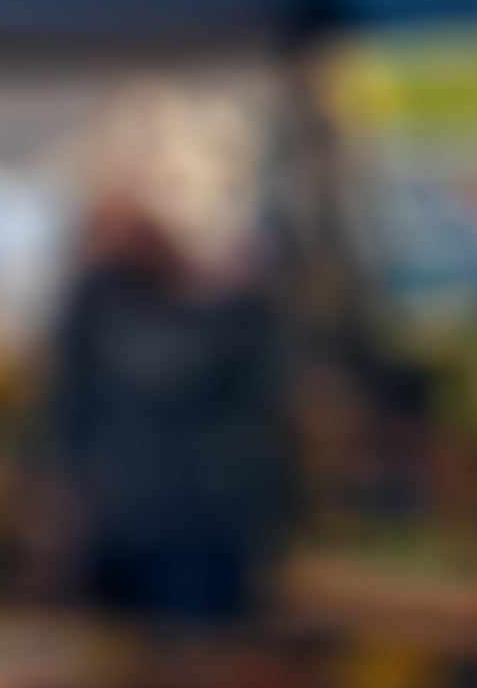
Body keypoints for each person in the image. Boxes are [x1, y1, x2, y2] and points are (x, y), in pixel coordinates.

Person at [38, 188, 294, 627]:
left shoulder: (228, 318)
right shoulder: (103, 306)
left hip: (193, 532)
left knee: (188, 669)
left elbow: (168, 375)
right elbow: (67, 419)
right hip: (125, 527)